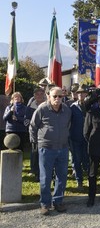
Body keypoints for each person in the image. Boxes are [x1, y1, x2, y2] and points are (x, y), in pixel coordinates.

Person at [29, 87, 71, 215]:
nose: (57, 99)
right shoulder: (42, 109)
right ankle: (45, 203)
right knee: (45, 177)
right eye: (55, 96)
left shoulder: (67, 110)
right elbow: (33, 126)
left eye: (60, 96)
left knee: (62, 176)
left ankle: (58, 201)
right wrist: (36, 144)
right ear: (49, 96)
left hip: (63, 148)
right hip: (46, 149)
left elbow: (68, 125)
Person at [69, 84, 89, 189]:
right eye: (79, 93)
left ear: (86, 94)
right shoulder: (72, 107)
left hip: (87, 138)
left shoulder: (90, 106)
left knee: (87, 160)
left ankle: (90, 179)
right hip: (75, 137)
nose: (81, 95)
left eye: (83, 93)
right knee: (77, 160)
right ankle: (79, 181)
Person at [25, 87, 46, 181]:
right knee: (35, 153)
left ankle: (44, 172)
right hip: (35, 134)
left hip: (46, 135)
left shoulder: (48, 105)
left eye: (41, 94)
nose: (39, 96)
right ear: (34, 96)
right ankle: (36, 172)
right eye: (37, 94)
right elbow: (26, 120)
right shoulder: (30, 107)